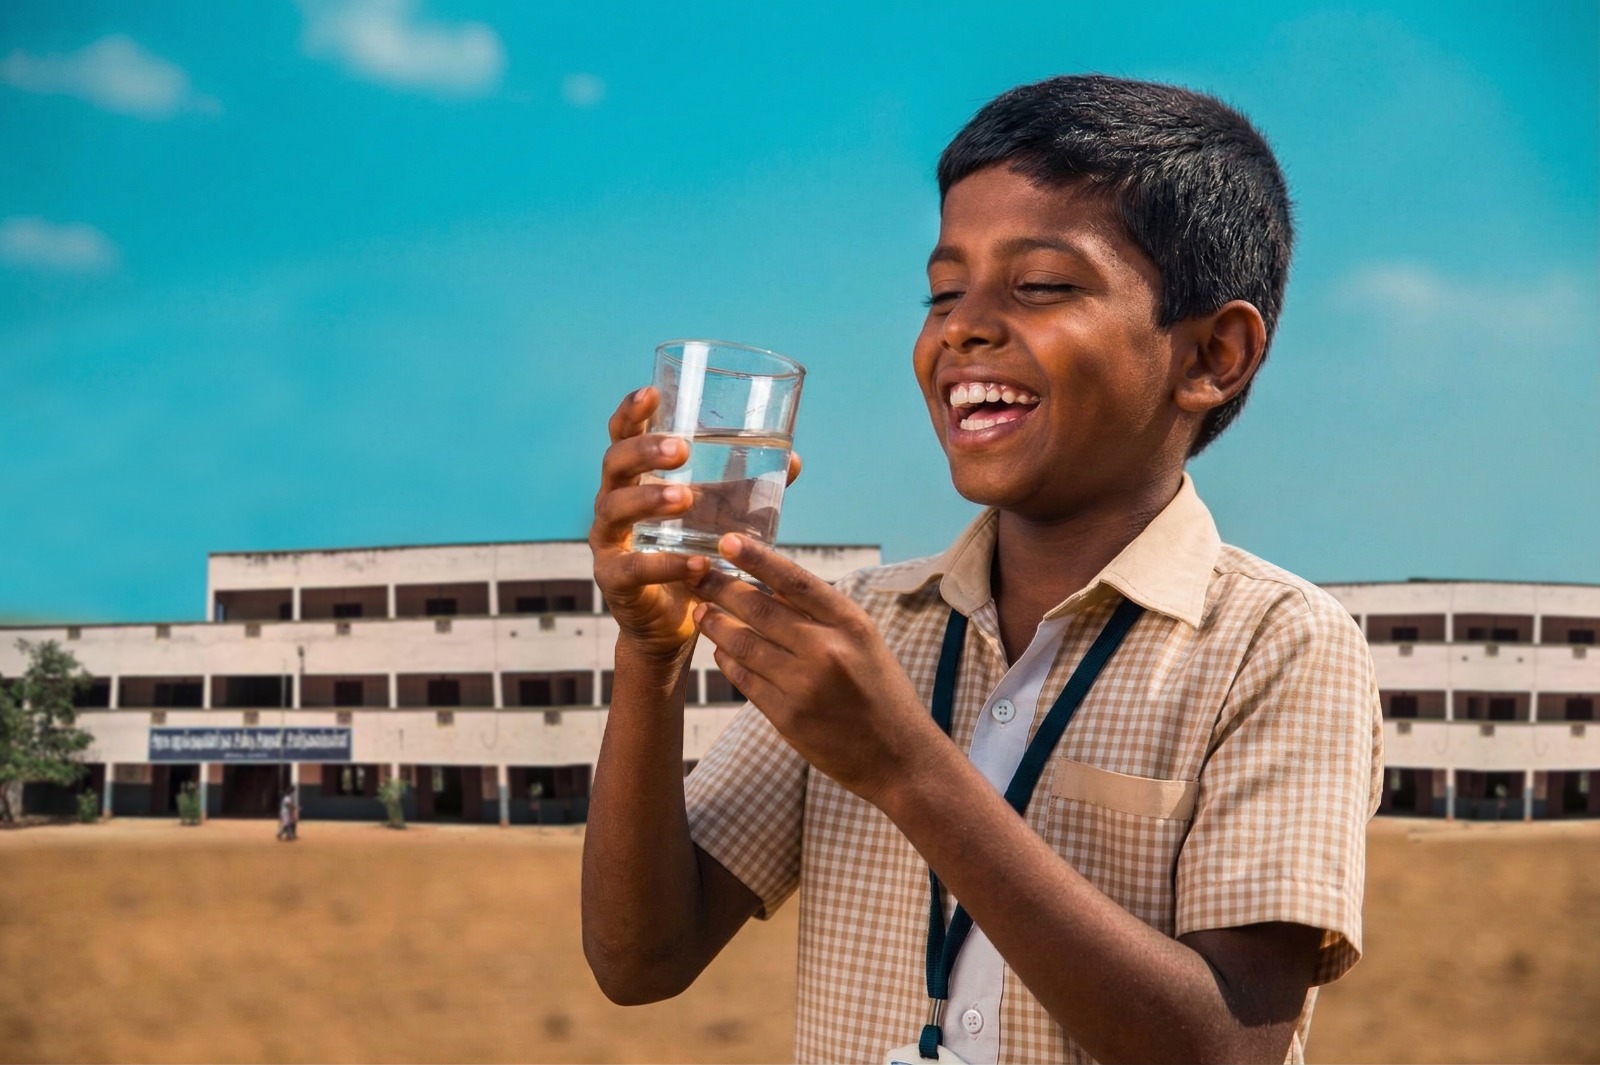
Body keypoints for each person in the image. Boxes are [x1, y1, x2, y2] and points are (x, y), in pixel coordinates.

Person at [583, 74, 1383, 1065]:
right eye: (942, 289)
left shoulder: (1278, 647)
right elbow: (639, 959)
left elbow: (1229, 1046)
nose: (962, 326)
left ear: (1211, 354)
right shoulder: (871, 626)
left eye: (1040, 285)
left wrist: (909, 768)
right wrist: (649, 658)